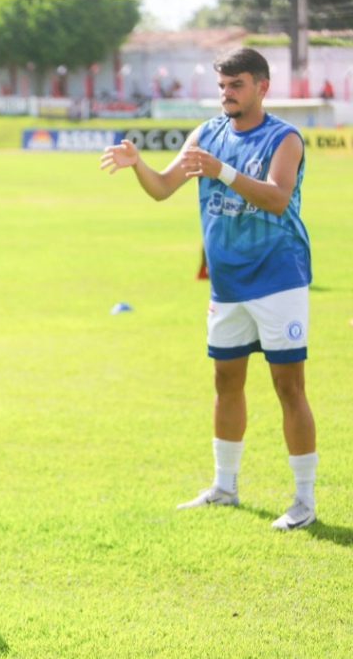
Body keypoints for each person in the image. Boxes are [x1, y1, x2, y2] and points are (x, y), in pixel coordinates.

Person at [100, 48, 319, 531]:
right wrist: (138, 164)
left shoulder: (284, 138)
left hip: (278, 277)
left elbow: (278, 199)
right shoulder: (207, 134)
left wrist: (221, 171)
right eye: (222, 86)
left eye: (236, 85)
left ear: (262, 86)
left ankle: (304, 500)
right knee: (226, 382)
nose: (226, 95)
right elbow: (161, 188)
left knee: (288, 387)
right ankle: (225, 486)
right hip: (227, 283)